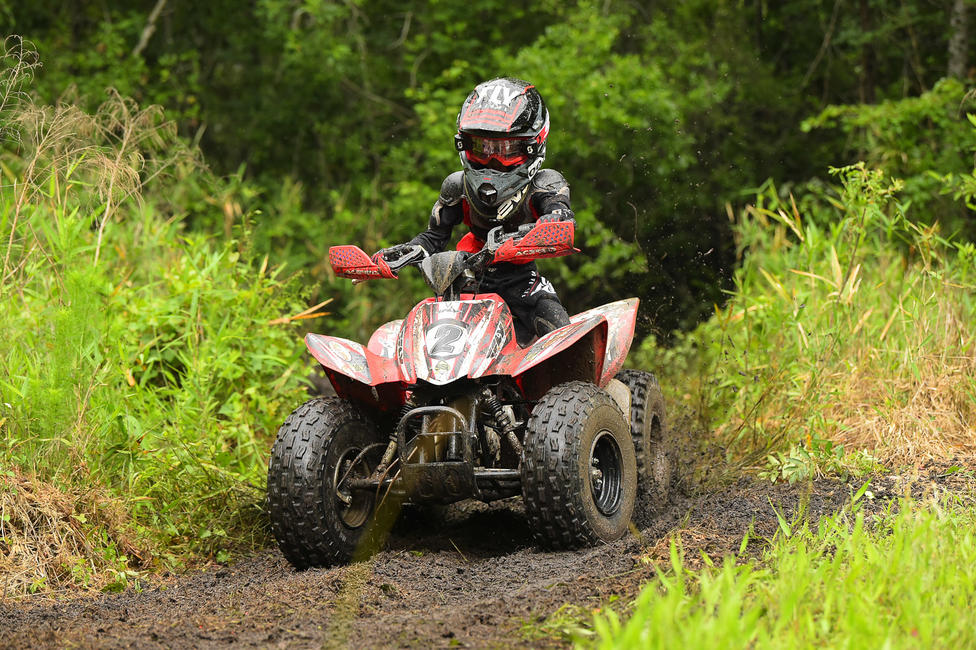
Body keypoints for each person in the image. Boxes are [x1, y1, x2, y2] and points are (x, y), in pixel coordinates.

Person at [378, 77, 576, 345]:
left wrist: (550, 224)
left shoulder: (545, 183)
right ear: (464, 145)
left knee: (559, 329)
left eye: (505, 150)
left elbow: (561, 217)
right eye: (481, 148)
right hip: (463, 279)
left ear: (533, 145)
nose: (492, 160)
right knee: (416, 341)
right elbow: (434, 238)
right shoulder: (456, 186)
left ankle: (585, 385)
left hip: (520, 281)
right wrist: (402, 253)